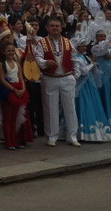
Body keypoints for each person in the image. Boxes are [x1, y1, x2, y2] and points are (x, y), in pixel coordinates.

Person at [34, 17, 80, 147]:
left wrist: (75, 75)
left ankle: (72, 136)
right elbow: (37, 58)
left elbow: (74, 59)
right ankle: (52, 136)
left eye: (57, 26)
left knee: (70, 107)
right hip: (50, 78)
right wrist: (45, 63)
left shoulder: (67, 42)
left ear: (61, 27)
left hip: (67, 77)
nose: (55, 28)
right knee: (50, 108)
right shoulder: (42, 43)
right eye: (52, 26)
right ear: (47, 28)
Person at [73, 40, 111, 142]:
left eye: (85, 46)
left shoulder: (85, 57)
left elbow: (94, 71)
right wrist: (92, 63)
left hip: (90, 85)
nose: (84, 48)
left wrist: (95, 66)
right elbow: (83, 72)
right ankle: (84, 132)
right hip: (82, 87)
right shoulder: (76, 58)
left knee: (93, 105)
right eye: (81, 46)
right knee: (85, 105)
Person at [0, 42, 33, 150]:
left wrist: (23, 89)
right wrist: (13, 90)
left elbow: (21, 77)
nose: (11, 53)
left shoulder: (17, 64)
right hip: (8, 90)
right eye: (9, 51)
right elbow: (2, 79)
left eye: (12, 51)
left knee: (15, 118)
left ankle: (15, 140)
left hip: (18, 89)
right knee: (8, 118)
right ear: (4, 52)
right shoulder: (2, 64)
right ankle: (9, 141)